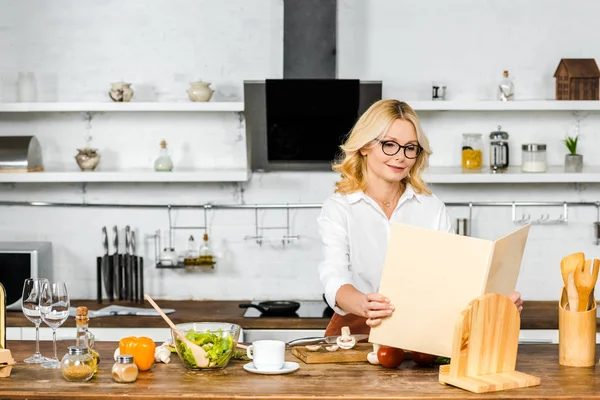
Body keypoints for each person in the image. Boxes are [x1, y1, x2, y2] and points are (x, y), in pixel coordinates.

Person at [317, 99, 523, 337]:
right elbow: (334, 276)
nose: (401, 157)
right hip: (354, 331)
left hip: (417, 332)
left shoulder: (431, 207)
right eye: (389, 144)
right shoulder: (339, 208)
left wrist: (496, 303)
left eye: (410, 147)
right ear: (365, 146)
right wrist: (364, 303)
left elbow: (451, 279)